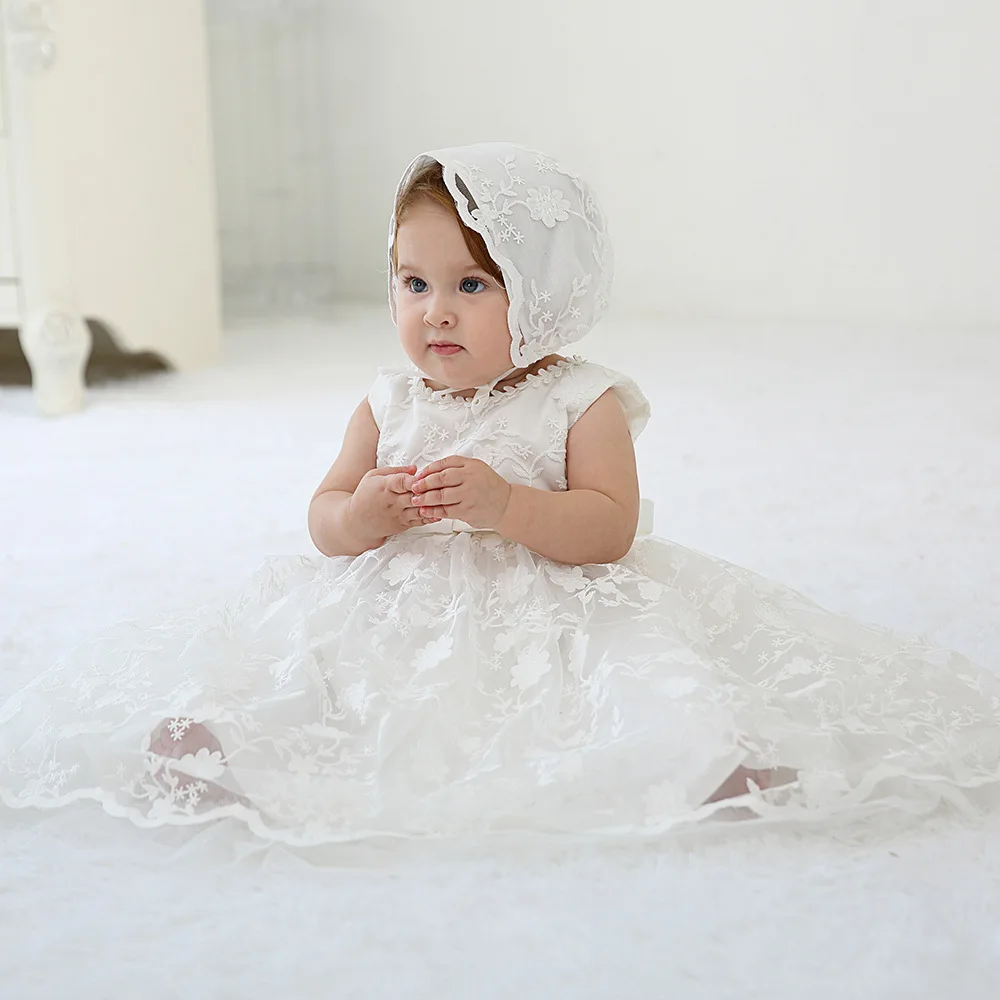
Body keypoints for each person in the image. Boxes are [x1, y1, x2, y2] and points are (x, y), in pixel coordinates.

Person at [3, 142, 999, 849]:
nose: (435, 311)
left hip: (546, 601)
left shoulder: (578, 396)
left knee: (629, 686)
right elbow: (322, 517)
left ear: (547, 289)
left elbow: (607, 527)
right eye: (412, 282)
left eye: (473, 285)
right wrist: (368, 512)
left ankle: (706, 762)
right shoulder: (389, 397)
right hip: (393, 604)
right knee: (314, 670)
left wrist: (509, 508)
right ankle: (229, 743)